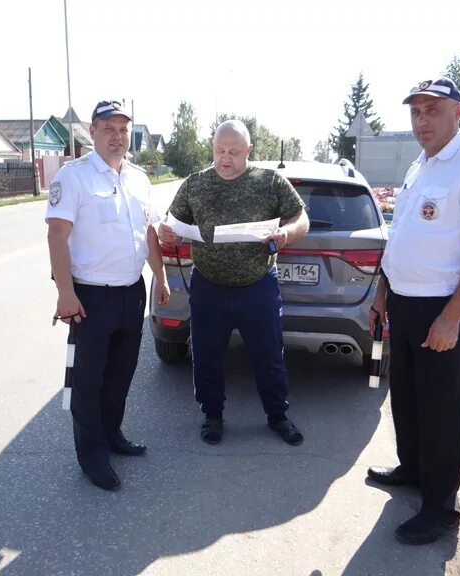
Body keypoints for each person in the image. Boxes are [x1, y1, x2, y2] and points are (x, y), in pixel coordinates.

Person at [367, 78, 460, 544]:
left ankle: (441, 506)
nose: (422, 120)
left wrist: (451, 317)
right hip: (405, 303)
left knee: (443, 409)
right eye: (416, 112)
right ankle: (413, 469)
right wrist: (384, 287)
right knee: (406, 397)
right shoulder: (420, 165)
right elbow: (405, 232)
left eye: (433, 110)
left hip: (442, 310)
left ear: (459, 112)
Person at [158, 120, 310, 446]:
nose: (225, 159)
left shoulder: (269, 182)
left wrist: (285, 233)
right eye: (219, 151)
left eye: (234, 152)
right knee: (206, 354)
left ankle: (277, 416)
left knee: (268, 355)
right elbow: (171, 223)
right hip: (209, 286)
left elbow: (301, 218)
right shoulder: (195, 184)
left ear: (249, 151)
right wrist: (165, 230)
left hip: (258, 286)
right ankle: (212, 415)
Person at [45, 100, 170, 491]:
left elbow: (149, 234)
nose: (117, 137)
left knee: (121, 372)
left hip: (131, 293)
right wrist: (66, 293)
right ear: (93, 132)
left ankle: (112, 434)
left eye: (123, 130)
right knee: (88, 378)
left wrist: (161, 278)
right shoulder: (74, 177)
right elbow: (57, 236)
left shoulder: (138, 178)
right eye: (109, 129)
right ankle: (92, 455)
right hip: (90, 297)